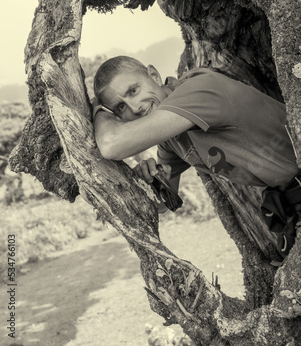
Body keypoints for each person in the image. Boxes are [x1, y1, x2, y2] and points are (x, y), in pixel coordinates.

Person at [93, 55, 301, 255]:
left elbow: (111, 145)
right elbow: (165, 204)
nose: (135, 107)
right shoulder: (171, 138)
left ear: (154, 75)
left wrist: (98, 111)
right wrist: (150, 182)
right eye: (121, 107)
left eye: (133, 90)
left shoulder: (199, 89)